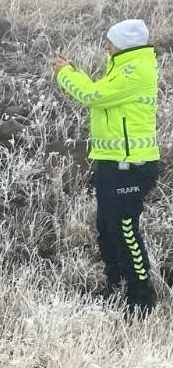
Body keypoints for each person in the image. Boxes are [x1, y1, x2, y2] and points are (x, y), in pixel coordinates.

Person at [52, 20, 161, 317]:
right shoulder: (122, 66)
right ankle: (115, 287)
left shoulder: (135, 71)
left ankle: (141, 298)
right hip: (113, 161)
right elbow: (100, 93)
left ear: (124, 43)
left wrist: (66, 74)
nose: (106, 45)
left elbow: (93, 96)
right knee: (106, 225)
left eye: (110, 41)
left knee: (124, 228)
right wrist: (72, 72)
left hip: (133, 165)